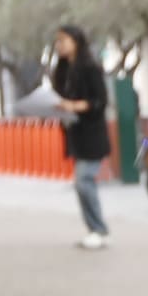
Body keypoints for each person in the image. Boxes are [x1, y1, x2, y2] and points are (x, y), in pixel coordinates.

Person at [50, 26, 110, 250]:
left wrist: (73, 105)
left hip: (92, 134)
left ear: (76, 41)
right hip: (74, 133)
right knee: (81, 183)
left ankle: (99, 229)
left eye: (64, 40)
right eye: (57, 41)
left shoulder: (90, 68)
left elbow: (100, 102)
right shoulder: (62, 70)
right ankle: (94, 229)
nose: (60, 45)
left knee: (83, 181)